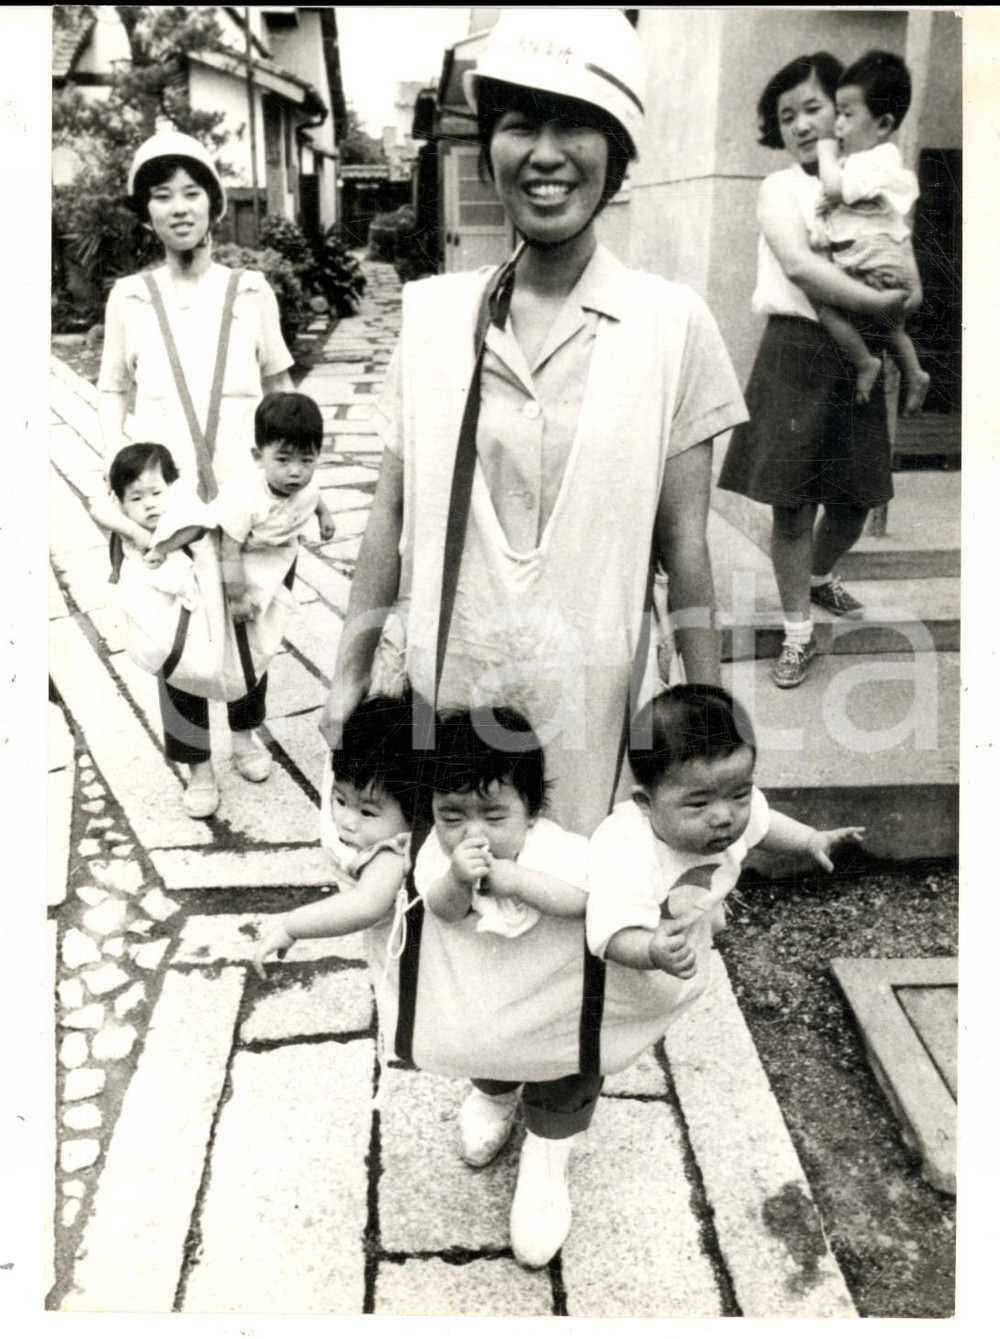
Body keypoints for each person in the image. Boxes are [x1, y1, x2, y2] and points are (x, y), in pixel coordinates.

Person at [317, 5, 747, 1269]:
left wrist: (712, 737)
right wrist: (349, 677)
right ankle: (496, 1079)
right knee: (465, 895)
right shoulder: (439, 314)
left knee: (582, 908)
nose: (542, 151)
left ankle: (553, 1131)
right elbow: (392, 514)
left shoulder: (671, 324)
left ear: (616, 150)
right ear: (485, 144)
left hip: (597, 696)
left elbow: (686, 549)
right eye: (518, 123)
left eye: (573, 125)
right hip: (460, 688)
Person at [96, 131, 295, 817]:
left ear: (214, 204)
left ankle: (245, 731)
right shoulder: (129, 297)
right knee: (174, 630)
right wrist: (113, 463)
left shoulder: (251, 291)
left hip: (245, 493)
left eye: (190, 193)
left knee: (248, 615)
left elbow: (280, 384)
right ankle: (193, 764)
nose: (178, 207)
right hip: (165, 500)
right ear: (145, 212)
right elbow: (112, 388)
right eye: (161, 195)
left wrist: (292, 477)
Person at [717, 52, 920, 690]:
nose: (801, 125)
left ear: (843, 112)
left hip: (856, 349)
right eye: (786, 116)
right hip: (796, 351)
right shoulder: (783, 188)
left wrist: (901, 300)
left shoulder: (872, 183)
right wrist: (880, 303)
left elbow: (905, 271)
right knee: (793, 505)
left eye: (814, 108)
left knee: (859, 497)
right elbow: (803, 270)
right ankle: (797, 632)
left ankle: (817, 576)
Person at [416, 707, 589, 1267]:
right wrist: (455, 880)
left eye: (494, 815)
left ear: (532, 810)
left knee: (568, 1060)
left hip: (557, 992)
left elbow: (587, 901)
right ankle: (493, 1092)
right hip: (488, 988)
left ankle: (548, 1148)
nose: (474, 835)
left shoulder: (556, 849)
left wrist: (517, 880)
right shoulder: (438, 856)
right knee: (485, 1036)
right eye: (452, 816)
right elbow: (439, 910)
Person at [587, 685, 866, 980]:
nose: (724, 816)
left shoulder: (729, 806)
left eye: (739, 795)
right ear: (646, 802)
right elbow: (612, 932)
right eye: (699, 803)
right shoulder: (624, 852)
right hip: (633, 980)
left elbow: (765, 823)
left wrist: (809, 839)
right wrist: (651, 950)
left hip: (684, 947)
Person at [252, 695, 416, 978]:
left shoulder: (390, 855)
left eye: (367, 812)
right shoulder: (384, 831)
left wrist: (292, 926)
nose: (346, 822)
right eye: (340, 801)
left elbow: (365, 905)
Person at [813, 51, 929, 415]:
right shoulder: (862, 164)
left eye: (848, 115)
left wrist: (825, 152)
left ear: (882, 125)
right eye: (838, 113)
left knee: (825, 303)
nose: (839, 126)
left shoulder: (876, 160)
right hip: (875, 256)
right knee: (887, 324)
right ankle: (915, 372)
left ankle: (866, 362)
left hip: (873, 258)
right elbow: (833, 206)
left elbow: (834, 190)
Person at [211, 391, 336, 623]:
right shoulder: (246, 498)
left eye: (307, 460)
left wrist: (324, 515)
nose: (296, 471)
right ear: (258, 456)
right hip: (243, 554)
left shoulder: (304, 483)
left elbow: (312, 495)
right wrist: (236, 597)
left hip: (278, 548)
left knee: (276, 606)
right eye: (283, 460)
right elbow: (228, 550)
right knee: (245, 618)